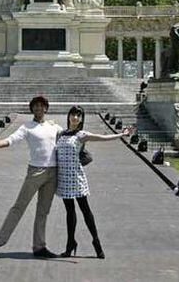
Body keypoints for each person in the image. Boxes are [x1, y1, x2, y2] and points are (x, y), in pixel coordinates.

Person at [0, 95, 62, 259]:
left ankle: (39, 246)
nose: (38, 108)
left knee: (43, 211)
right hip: (35, 171)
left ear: (46, 108)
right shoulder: (27, 127)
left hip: (52, 172)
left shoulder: (55, 127)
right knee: (19, 207)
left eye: (41, 106)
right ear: (32, 109)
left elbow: (69, 138)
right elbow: (10, 140)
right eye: (35, 106)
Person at [56, 105, 134, 259]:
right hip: (63, 178)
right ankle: (70, 243)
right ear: (69, 116)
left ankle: (96, 243)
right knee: (69, 212)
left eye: (79, 115)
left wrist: (121, 134)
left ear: (82, 119)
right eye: (73, 114)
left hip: (76, 178)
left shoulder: (81, 135)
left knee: (85, 210)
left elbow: (102, 138)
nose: (75, 118)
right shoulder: (60, 134)